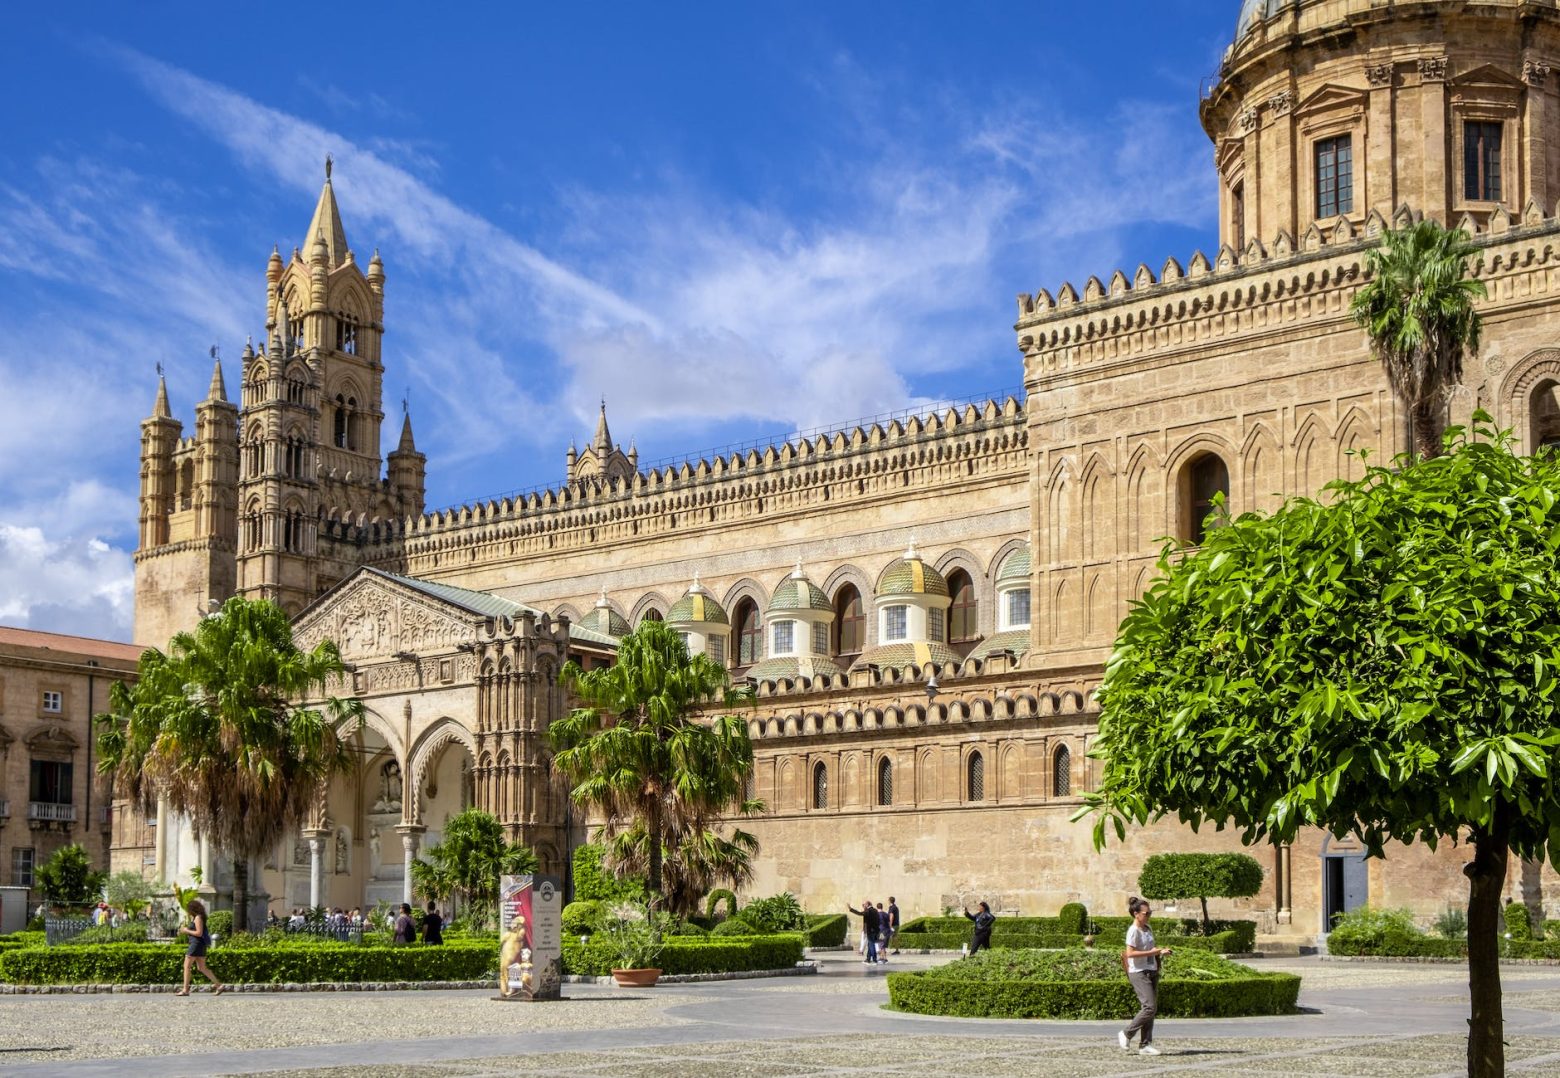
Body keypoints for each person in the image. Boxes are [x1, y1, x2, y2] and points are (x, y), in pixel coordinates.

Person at [1119, 895, 1171, 1056]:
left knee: (1150, 1009)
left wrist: (1160, 951)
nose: (1148, 915)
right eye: (1146, 913)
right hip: (1138, 972)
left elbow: (1151, 947)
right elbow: (1130, 953)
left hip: (1151, 969)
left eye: (1150, 913)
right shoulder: (1133, 931)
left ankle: (1145, 1044)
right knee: (1149, 1007)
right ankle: (1126, 1033)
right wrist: (1152, 951)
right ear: (1136, 914)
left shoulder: (1147, 929)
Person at [175, 898, 224, 996]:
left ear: (192, 909)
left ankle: (185, 990)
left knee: (186, 967)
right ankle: (219, 985)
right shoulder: (197, 917)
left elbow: (199, 933)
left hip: (196, 944)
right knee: (202, 968)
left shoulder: (198, 917)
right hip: (199, 945)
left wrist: (186, 930)